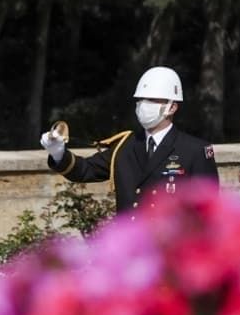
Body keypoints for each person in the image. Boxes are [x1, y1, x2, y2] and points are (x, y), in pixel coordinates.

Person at [40, 66, 219, 212]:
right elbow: (85, 170)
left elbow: (206, 211)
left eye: (152, 100)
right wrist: (58, 153)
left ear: (172, 107)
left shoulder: (194, 151)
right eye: (141, 99)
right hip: (131, 250)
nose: (143, 105)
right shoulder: (125, 145)